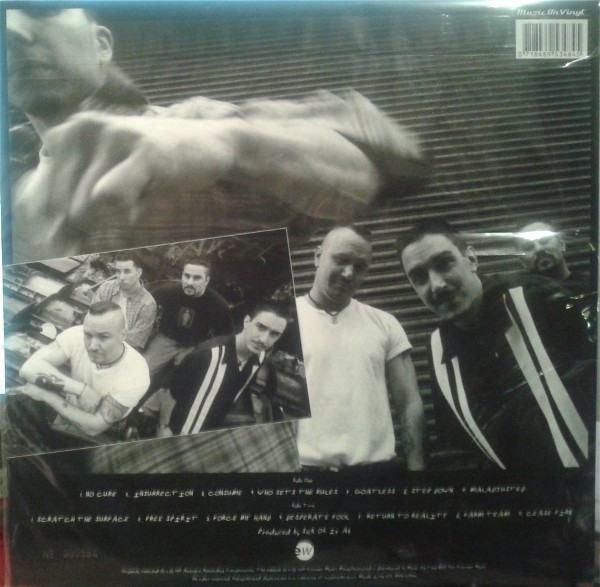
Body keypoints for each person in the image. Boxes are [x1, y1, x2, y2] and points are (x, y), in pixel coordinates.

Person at [6, 8, 429, 263]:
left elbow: (395, 158)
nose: (15, 30)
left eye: (42, 8)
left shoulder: (189, 128)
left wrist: (232, 146)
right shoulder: (13, 178)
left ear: (102, 44)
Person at [398, 219, 594, 469]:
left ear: (471, 259)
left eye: (444, 264)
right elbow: (462, 446)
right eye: (419, 277)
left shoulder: (536, 297)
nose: (436, 285)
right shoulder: (438, 351)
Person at [296, 226, 425, 470]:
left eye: (360, 267)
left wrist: (417, 469)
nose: (348, 273)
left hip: (376, 474)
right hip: (305, 472)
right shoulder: (282, 323)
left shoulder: (384, 323)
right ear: (317, 256)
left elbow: (409, 402)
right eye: (341, 260)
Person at [10, 301, 150, 452]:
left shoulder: (136, 374)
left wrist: (46, 396)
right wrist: (82, 390)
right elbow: (28, 368)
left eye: (104, 337)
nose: (92, 346)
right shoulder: (76, 335)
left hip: (102, 432)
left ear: (123, 335)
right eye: (88, 335)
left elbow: (94, 428)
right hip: (69, 405)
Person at [161, 302, 290, 436]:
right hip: (179, 431)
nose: (264, 339)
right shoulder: (208, 354)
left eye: (274, 334)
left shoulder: (260, 356)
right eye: (261, 327)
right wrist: (164, 426)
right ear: (247, 321)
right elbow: (168, 390)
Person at [144, 256, 233, 379]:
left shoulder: (218, 304)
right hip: (165, 340)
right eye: (187, 276)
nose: (190, 282)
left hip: (194, 346)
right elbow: (144, 303)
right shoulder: (167, 292)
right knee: (143, 370)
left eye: (197, 278)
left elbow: (225, 335)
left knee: (184, 378)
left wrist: (201, 349)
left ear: (207, 280)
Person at [92, 251, 157, 351]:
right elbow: (93, 317)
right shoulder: (107, 287)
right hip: (95, 338)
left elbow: (134, 342)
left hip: (122, 350)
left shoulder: (148, 304)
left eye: (127, 271)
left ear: (139, 272)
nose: (121, 277)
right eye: (118, 271)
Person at [517, 220, 590, 294]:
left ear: (561, 244)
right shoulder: (519, 299)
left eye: (544, 240)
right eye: (528, 247)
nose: (539, 249)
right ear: (522, 262)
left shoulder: (592, 285)